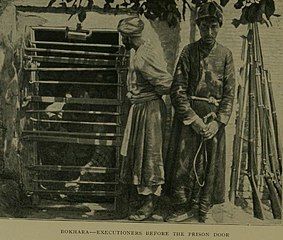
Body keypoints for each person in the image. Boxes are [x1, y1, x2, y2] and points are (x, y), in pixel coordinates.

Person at [165, 2, 235, 223]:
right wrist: (192, 119)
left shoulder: (226, 54)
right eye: (205, 27)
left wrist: (218, 122)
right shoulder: (188, 52)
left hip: (213, 121)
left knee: (210, 164)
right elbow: (177, 89)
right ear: (199, 26)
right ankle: (181, 207)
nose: (209, 32)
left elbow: (230, 93)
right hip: (190, 118)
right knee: (183, 162)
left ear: (219, 26)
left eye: (214, 26)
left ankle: (204, 209)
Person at [117, 16, 172, 221]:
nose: (122, 40)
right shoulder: (136, 52)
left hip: (150, 109)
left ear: (130, 36)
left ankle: (150, 204)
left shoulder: (147, 54)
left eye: (123, 36)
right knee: (137, 155)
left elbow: (166, 83)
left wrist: (148, 95)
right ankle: (142, 200)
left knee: (150, 155)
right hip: (140, 108)